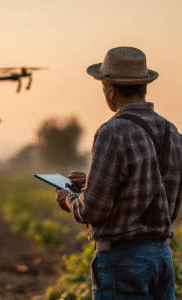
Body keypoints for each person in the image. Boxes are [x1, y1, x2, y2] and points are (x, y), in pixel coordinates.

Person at [56, 46, 182, 299]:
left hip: (123, 262)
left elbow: (92, 210)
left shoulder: (113, 132)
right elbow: (161, 194)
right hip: (162, 257)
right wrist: (92, 182)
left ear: (110, 88)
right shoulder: (172, 133)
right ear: (144, 86)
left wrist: (69, 199)